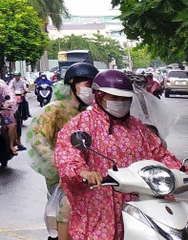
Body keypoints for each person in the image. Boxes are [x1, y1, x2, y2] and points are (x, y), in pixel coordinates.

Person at [54, 69, 183, 240]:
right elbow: (67, 155)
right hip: (99, 205)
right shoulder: (82, 123)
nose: (120, 103)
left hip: (140, 203)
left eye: (124, 99)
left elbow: (159, 153)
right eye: (114, 98)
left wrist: (181, 168)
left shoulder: (137, 127)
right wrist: (83, 172)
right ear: (99, 96)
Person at [26, 62, 99, 240]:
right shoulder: (54, 109)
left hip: (90, 175)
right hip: (61, 175)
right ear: (72, 85)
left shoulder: (90, 113)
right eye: (87, 86)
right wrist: (60, 166)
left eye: (94, 87)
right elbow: (37, 138)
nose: (91, 91)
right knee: (66, 211)